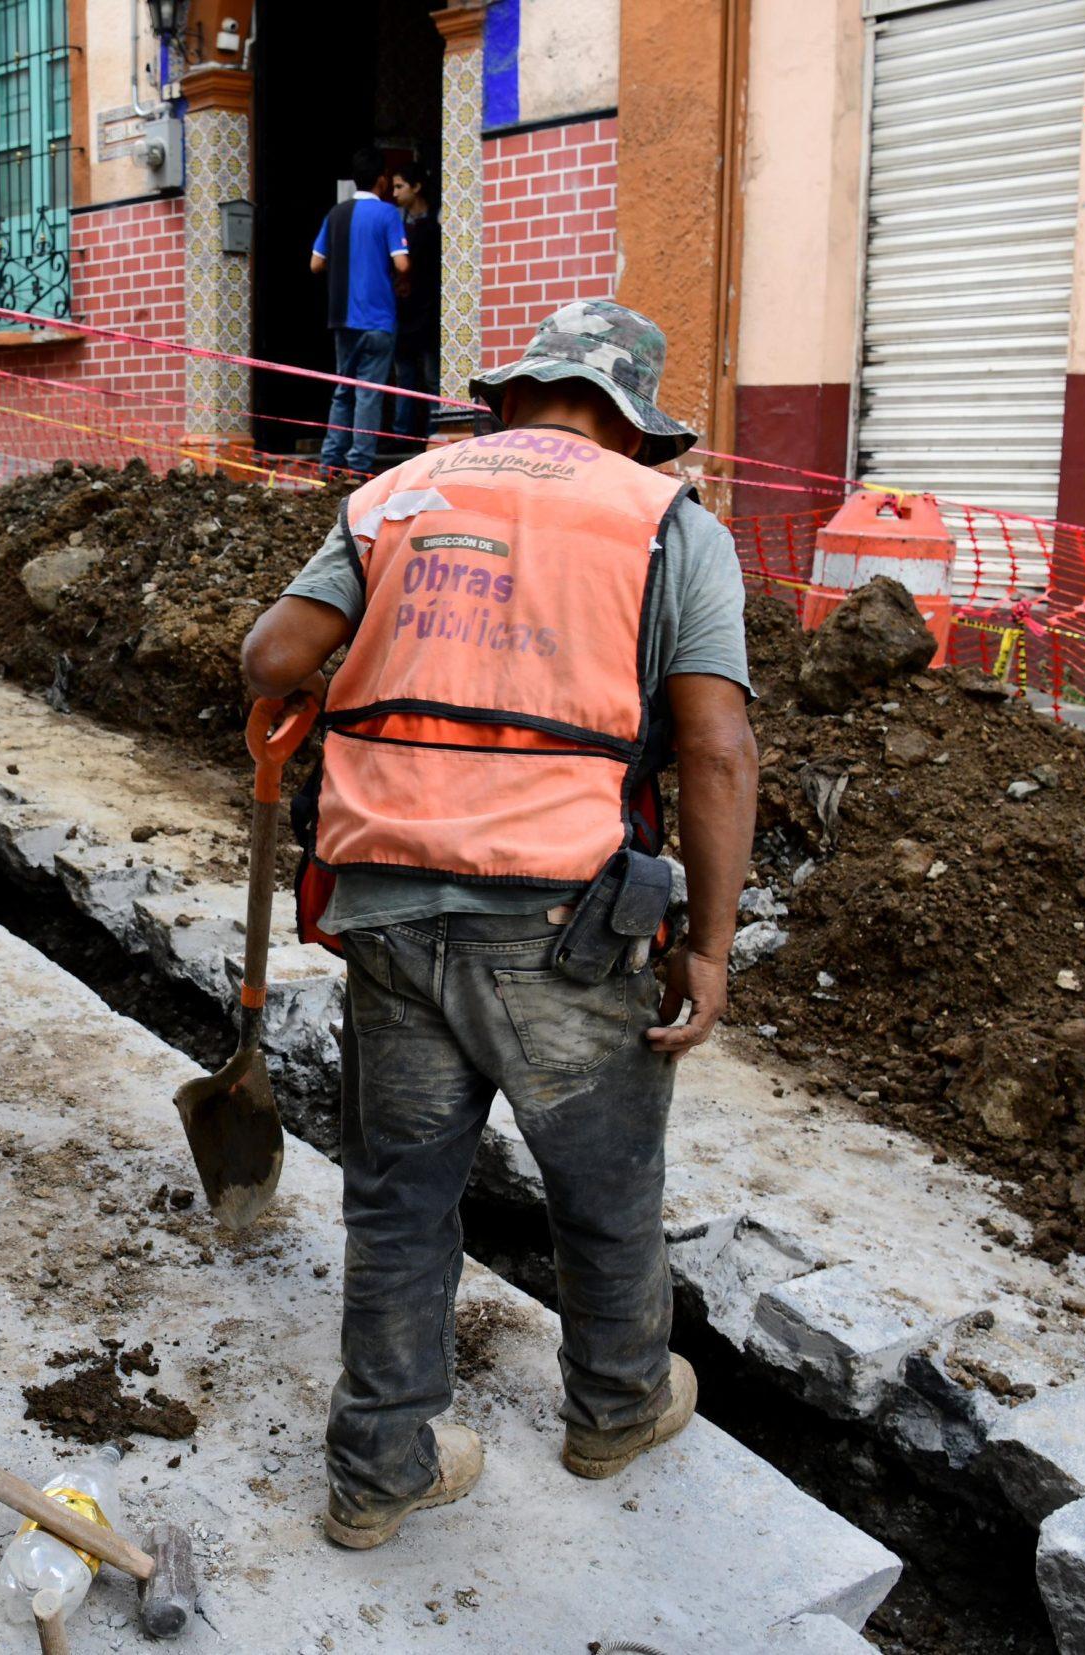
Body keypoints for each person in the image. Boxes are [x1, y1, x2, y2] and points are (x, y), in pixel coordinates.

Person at [239, 300, 759, 1550]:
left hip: (386, 906)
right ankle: (615, 1408)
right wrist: (710, 944)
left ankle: (375, 1475)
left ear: (512, 396)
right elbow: (717, 747)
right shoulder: (664, 522)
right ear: (631, 424)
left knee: (399, 1201)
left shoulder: (400, 494)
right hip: (563, 922)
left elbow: (269, 657)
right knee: (604, 1184)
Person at [308, 147, 408, 476]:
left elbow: (315, 263)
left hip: (342, 317)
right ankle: (359, 466)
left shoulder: (336, 214)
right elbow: (402, 263)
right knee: (369, 393)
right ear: (382, 180)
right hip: (378, 318)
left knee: (342, 391)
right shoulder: (389, 215)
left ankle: (329, 462)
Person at [387, 165, 441, 444]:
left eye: (399, 187)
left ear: (416, 187)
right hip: (404, 308)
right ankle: (400, 436)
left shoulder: (440, 218)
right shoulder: (395, 220)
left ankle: (435, 433)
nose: (394, 193)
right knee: (404, 377)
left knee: (432, 378)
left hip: (431, 308)